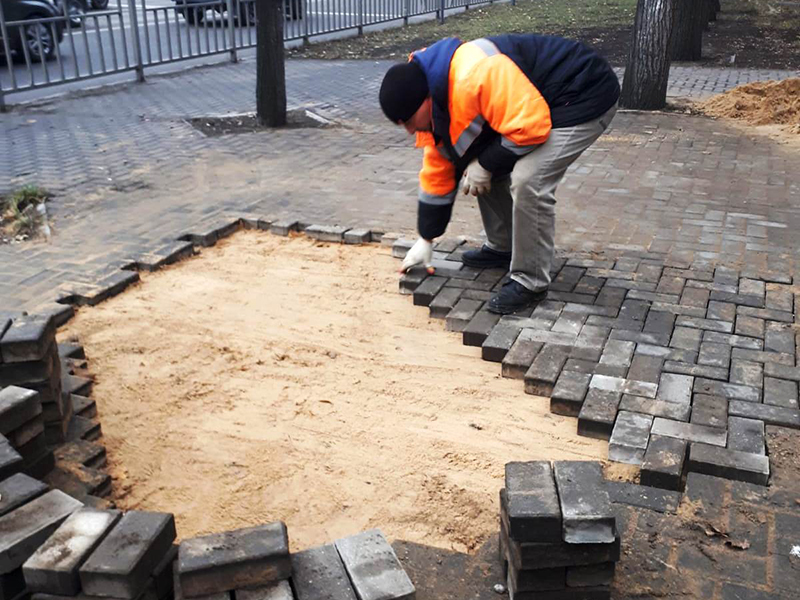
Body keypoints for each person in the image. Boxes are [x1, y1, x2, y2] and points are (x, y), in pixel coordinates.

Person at [379, 34, 620, 314]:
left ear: (425, 100)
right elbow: (439, 170)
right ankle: (503, 246)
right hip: (535, 102)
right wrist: (426, 238)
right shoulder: (437, 101)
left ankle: (530, 281)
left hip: (583, 92)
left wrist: (486, 165)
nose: (410, 131)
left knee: (529, 179)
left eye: (409, 121)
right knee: (479, 161)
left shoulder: (474, 75)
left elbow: (530, 128)